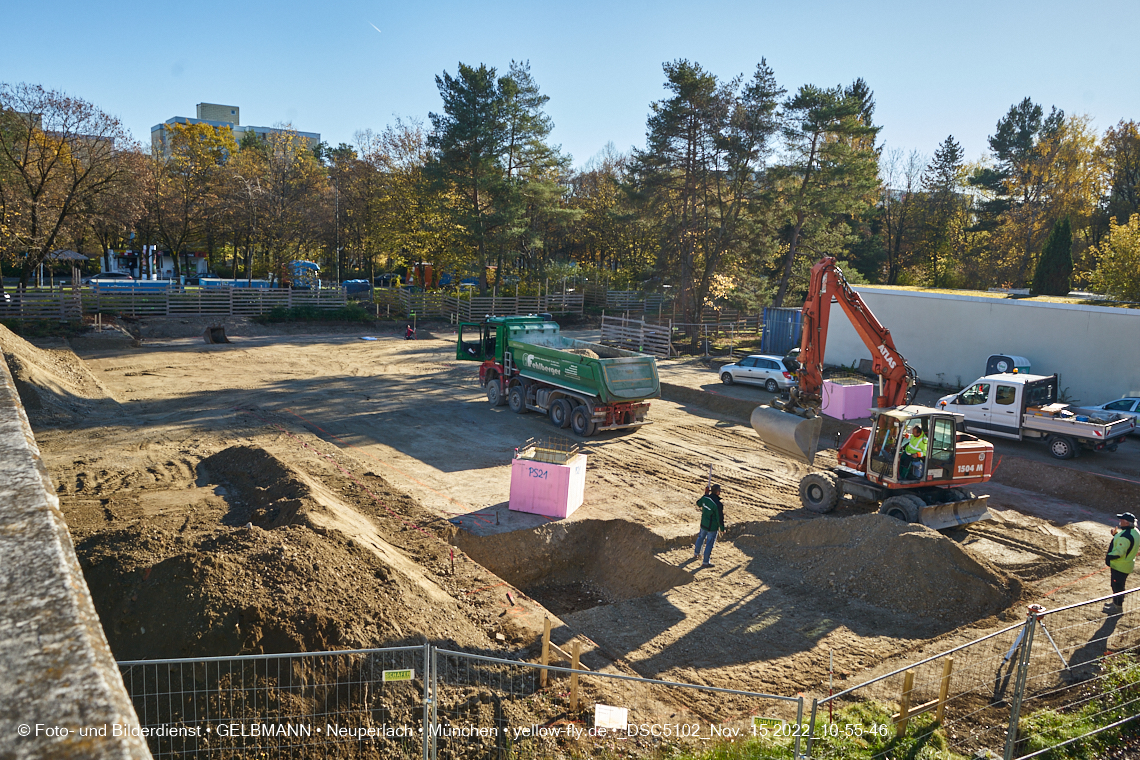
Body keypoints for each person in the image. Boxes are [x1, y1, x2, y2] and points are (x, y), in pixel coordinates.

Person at [1104, 512, 1139, 614]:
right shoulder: (1135, 531)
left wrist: (1109, 557)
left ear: (1127, 523)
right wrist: (1115, 535)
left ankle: (1117, 607)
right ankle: (1116, 603)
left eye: (1122, 520)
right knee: (1118, 585)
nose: (1120, 521)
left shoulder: (1125, 536)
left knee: (1117, 586)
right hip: (1126, 565)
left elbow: (1119, 552)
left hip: (1120, 566)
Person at [694, 484, 726, 569]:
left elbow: (698, 503)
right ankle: (705, 562)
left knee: (700, 537)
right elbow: (720, 518)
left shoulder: (705, 498)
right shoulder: (718, 504)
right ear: (718, 492)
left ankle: (696, 553)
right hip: (712, 527)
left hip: (703, 524)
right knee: (709, 544)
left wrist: (705, 494)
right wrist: (722, 529)